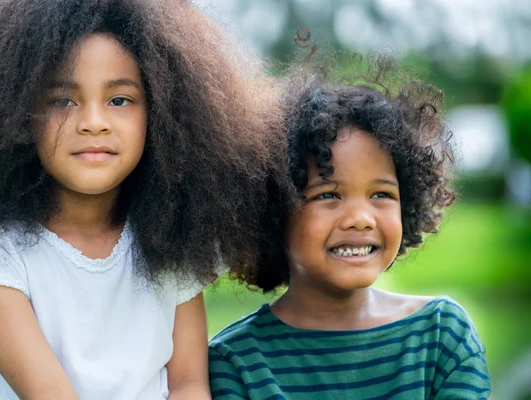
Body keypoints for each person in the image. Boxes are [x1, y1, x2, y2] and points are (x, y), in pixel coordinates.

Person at [0, 0, 290, 398]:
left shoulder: (171, 243)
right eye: (63, 100)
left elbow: (188, 382)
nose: (94, 122)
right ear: (14, 113)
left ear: (164, 115)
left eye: (119, 100)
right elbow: (49, 394)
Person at [209, 58, 492, 399]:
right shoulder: (236, 362)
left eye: (381, 194)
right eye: (328, 194)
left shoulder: (441, 337)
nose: (361, 218)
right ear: (274, 210)